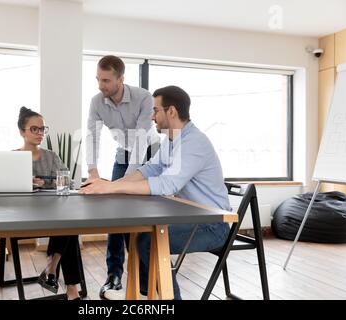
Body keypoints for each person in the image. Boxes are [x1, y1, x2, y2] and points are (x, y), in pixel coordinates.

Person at [80, 86, 231, 300]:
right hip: (191, 218)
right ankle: (144, 295)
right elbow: (150, 169)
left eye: (156, 110)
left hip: (212, 225)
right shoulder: (171, 140)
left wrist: (112, 187)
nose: (152, 116)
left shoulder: (194, 142)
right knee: (139, 234)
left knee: (148, 241)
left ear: (171, 112)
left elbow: (167, 184)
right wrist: (110, 184)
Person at [86, 55, 158, 298]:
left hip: (148, 155)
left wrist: (124, 183)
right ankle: (114, 275)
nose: (100, 85)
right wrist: (93, 171)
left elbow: (140, 140)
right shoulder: (97, 101)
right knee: (115, 217)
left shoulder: (143, 97)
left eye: (105, 80)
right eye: (98, 79)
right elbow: (92, 136)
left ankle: (146, 277)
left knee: (143, 216)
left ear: (121, 79)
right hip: (122, 155)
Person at [16, 107, 82, 300]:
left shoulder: (51, 156)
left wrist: (46, 182)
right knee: (68, 224)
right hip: (25, 213)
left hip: (52, 211)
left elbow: (67, 181)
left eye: (43, 129)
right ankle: (56, 274)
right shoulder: (13, 157)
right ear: (22, 131)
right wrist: (25, 182)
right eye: (34, 129)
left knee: (69, 220)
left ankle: (57, 274)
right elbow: (5, 186)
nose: (40, 133)